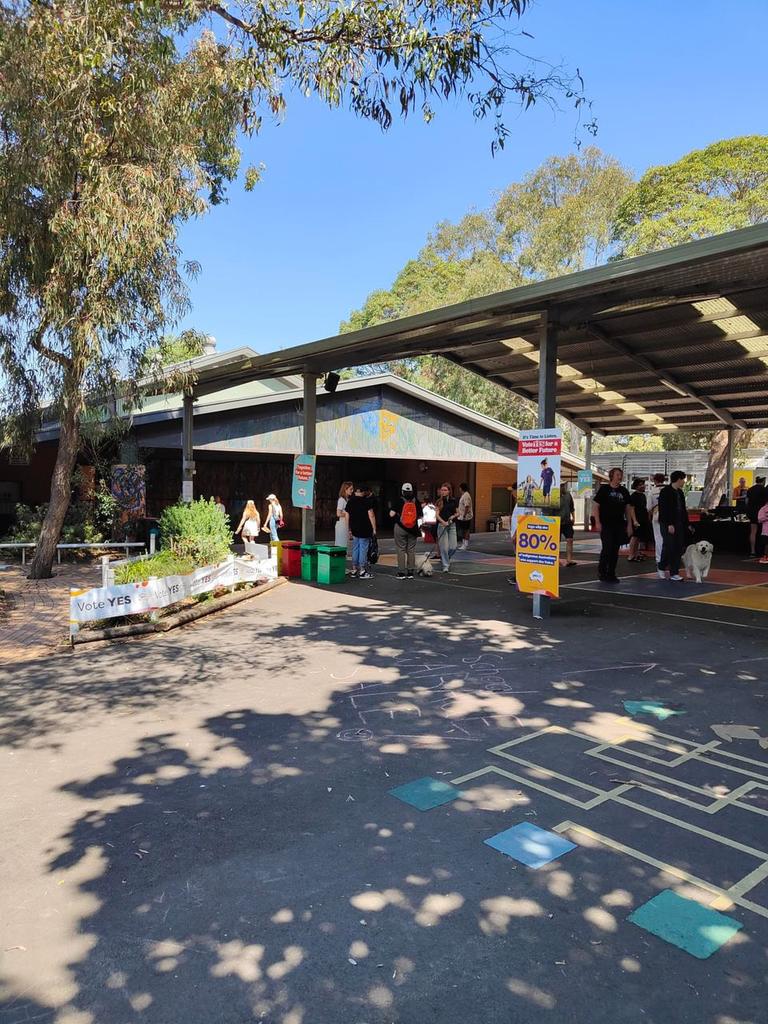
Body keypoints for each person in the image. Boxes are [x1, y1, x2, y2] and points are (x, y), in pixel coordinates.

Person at [592, 468, 633, 583]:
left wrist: (629, 524)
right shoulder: (604, 489)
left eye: (621, 475)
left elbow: (627, 509)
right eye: (617, 475)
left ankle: (611, 573)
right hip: (606, 524)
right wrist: (597, 521)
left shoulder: (624, 491)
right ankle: (602, 571)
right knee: (607, 547)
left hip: (619, 524)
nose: (620, 477)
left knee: (615, 549)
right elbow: (596, 505)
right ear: (612, 476)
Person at [658, 470, 691, 581]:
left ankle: (674, 572)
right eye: (683, 480)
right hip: (667, 523)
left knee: (678, 547)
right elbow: (663, 509)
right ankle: (661, 566)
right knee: (669, 546)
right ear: (678, 479)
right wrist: (669, 524)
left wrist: (687, 524)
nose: (684, 482)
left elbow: (683, 509)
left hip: (679, 523)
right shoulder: (665, 491)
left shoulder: (680, 493)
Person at [389, 482, 423, 578]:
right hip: (413, 528)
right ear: (412, 491)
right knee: (411, 550)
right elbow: (420, 516)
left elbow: (391, 514)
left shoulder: (399, 500)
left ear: (402, 491)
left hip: (400, 528)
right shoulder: (416, 501)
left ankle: (401, 572)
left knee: (401, 549)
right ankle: (411, 572)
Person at [346, 485, 376, 579]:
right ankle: (362, 570)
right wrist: (374, 528)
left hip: (354, 528)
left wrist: (349, 528)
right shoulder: (366, 501)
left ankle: (354, 569)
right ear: (363, 492)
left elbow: (347, 515)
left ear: (355, 492)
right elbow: (371, 515)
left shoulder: (350, 502)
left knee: (355, 548)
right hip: (365, 528)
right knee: (363, 548)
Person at [435, 482, 459, 573]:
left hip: (452, 525)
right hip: (442, 526)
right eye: (442, 490)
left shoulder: (454, 500)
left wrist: (453, 517)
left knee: (453, 547)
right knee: (444, 548)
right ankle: (445, 566)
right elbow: (437, 515)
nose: (443, 492)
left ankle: (445, 558)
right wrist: (443, 522)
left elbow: (458, 513)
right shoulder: (438, 501)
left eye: (445, 490)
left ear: (449, 491)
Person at [627, 478, 651, 562]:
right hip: (637, 519)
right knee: (634, 537)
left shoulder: (643, 495)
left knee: (638, 537)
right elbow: (631, 509)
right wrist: (634, 520)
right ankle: (631, 555)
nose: (643, 486)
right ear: (636, 486)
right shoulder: (634, 496)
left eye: (643, 484)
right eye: (641, 484)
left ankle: (636, 553)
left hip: (643, 519)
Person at [647, 473, 667, 566]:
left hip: (656, 515)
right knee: (668, 537)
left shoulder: (652, 491)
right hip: (669, 516)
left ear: (654, 480)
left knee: (658, 538)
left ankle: (659, 559)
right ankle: (668, 558)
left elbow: (648, 507)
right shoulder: (669, 490)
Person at [746, 476, 767, 557]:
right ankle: (763, 552)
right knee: (764, 532)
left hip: (752, 513)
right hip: (762, 513)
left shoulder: (750, 489)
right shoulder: (764, 490)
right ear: (763, 480)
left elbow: (747, 501)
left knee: (753, 532)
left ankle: (752, 551)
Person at [559, 482, 576, 567]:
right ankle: (556, 559)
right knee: (556, 542)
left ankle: (569, 559)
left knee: (570, 539)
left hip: (567, 521)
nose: (563, 487)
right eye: (561, 485)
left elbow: (572, 507)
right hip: (557, 522)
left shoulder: (568, 495)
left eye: (563, 485)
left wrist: (573, 517)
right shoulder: (554, 496)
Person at [335, 481, 354, 549]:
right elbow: (338, 513)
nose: (352, 491)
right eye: (350, 489)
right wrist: (347, 514)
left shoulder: (347, 500)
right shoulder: (341, 500)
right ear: (345, 489)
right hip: (342, 524)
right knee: (342, 545)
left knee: (345, 544)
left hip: (346, 523)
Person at [457, 482, 474, 550]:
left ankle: (465, 544)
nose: (459, 489)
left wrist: (464, 515)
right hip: (462, 516)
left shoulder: (466, 495)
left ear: (461, 488)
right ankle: (463, 543)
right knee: (463, 530)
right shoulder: (463, 495)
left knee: (466, 530)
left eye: (459, 488)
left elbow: (467, 506)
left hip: (466, 516)